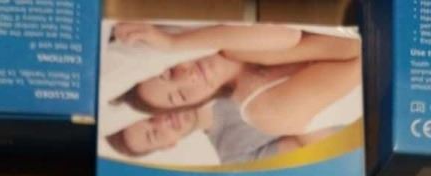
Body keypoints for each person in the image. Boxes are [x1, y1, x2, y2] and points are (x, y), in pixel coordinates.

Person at [113, 22, 361, 137]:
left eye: (169, 72)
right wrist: (174, 43)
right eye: (181, 95)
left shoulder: (229, 44)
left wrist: (175, 42)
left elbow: (283, 33)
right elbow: (357, 48)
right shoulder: (264, 111)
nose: (188, 78)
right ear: (197, 103)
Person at [106, 101, 334, 162]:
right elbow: (322, 149)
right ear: (168, 145)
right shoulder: (235, 156)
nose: (163, 122)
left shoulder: (207, 70)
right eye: (154, 134)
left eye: (149, 116)